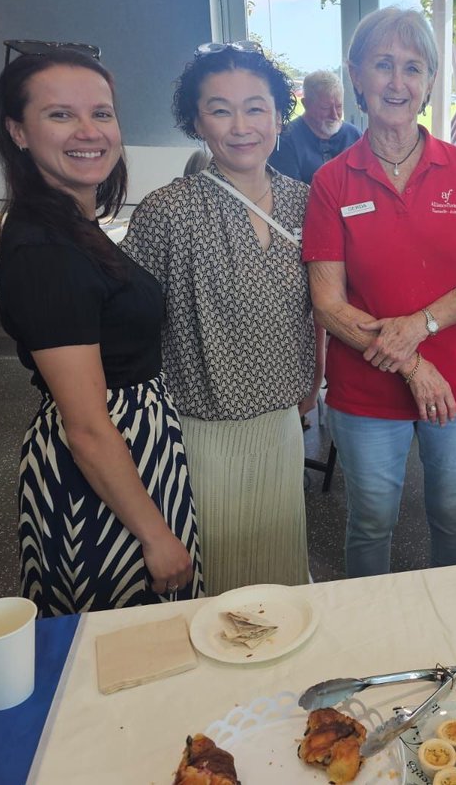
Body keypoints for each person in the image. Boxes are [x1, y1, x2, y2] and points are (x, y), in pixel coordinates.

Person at [0, 48, 202, 615]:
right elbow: (85, 427)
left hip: (135, 451)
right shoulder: (45, 252)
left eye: (102, 114)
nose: (89, 132)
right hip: (103, 470)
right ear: (18, 131)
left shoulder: (73, 225)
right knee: (122, 642)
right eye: (61, 115)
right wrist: (154, 534)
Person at [303, 8, 456, 578]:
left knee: (452, 515)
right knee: (369, 521)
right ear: (357, 77)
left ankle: (455, 617)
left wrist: (421, 324)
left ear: (429, 83)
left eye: (413, 68)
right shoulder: (333, 181)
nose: (398, 82)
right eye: (383, 65)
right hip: (367, 388)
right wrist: (413, 364)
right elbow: (327, 302)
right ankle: (371, 637)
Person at [121, 41, 320, 593]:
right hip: (201, 430)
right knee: (218, 579)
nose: (241, 126)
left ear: (280, 115)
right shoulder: (168, 210)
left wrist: (316, 382)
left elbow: (321, 307)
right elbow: (129, 327)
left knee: (279, 567)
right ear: (196, 121)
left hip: (281, 425)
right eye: (220, 109)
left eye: (256, 107)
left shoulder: (307, 202)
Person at [270, 69, 362, 183]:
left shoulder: (354, 136)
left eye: (338, 107)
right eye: (325, 108)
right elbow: (290, 193)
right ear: (305, 104)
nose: (334, 115)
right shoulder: (286, 140)